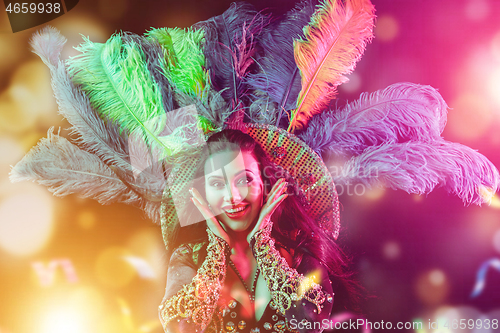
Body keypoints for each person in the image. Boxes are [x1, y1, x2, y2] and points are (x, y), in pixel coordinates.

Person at [159, 129, 359, 333]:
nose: (233, 197)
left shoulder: (299, 249)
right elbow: (180, 327)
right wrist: (217, 249)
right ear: (204, 194)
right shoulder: (188, 257)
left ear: (264, 184)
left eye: (244, 180)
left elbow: (311, 321)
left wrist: (262, 244)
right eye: (217, 183)